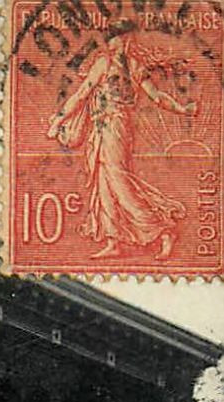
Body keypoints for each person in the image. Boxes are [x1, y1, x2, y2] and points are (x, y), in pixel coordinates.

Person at [46, 28, 200, 260]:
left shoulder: (127, 66)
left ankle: (163, 229)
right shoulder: (110, 64)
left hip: (115, 127)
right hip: (104, 128)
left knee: (118, 181)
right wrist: (61, 118)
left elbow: (156, 97)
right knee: (104, 183)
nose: (117, 43)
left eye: (119, 38)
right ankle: (114, 240)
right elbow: (82, 94)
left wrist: (183, 109)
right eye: (114, 39)